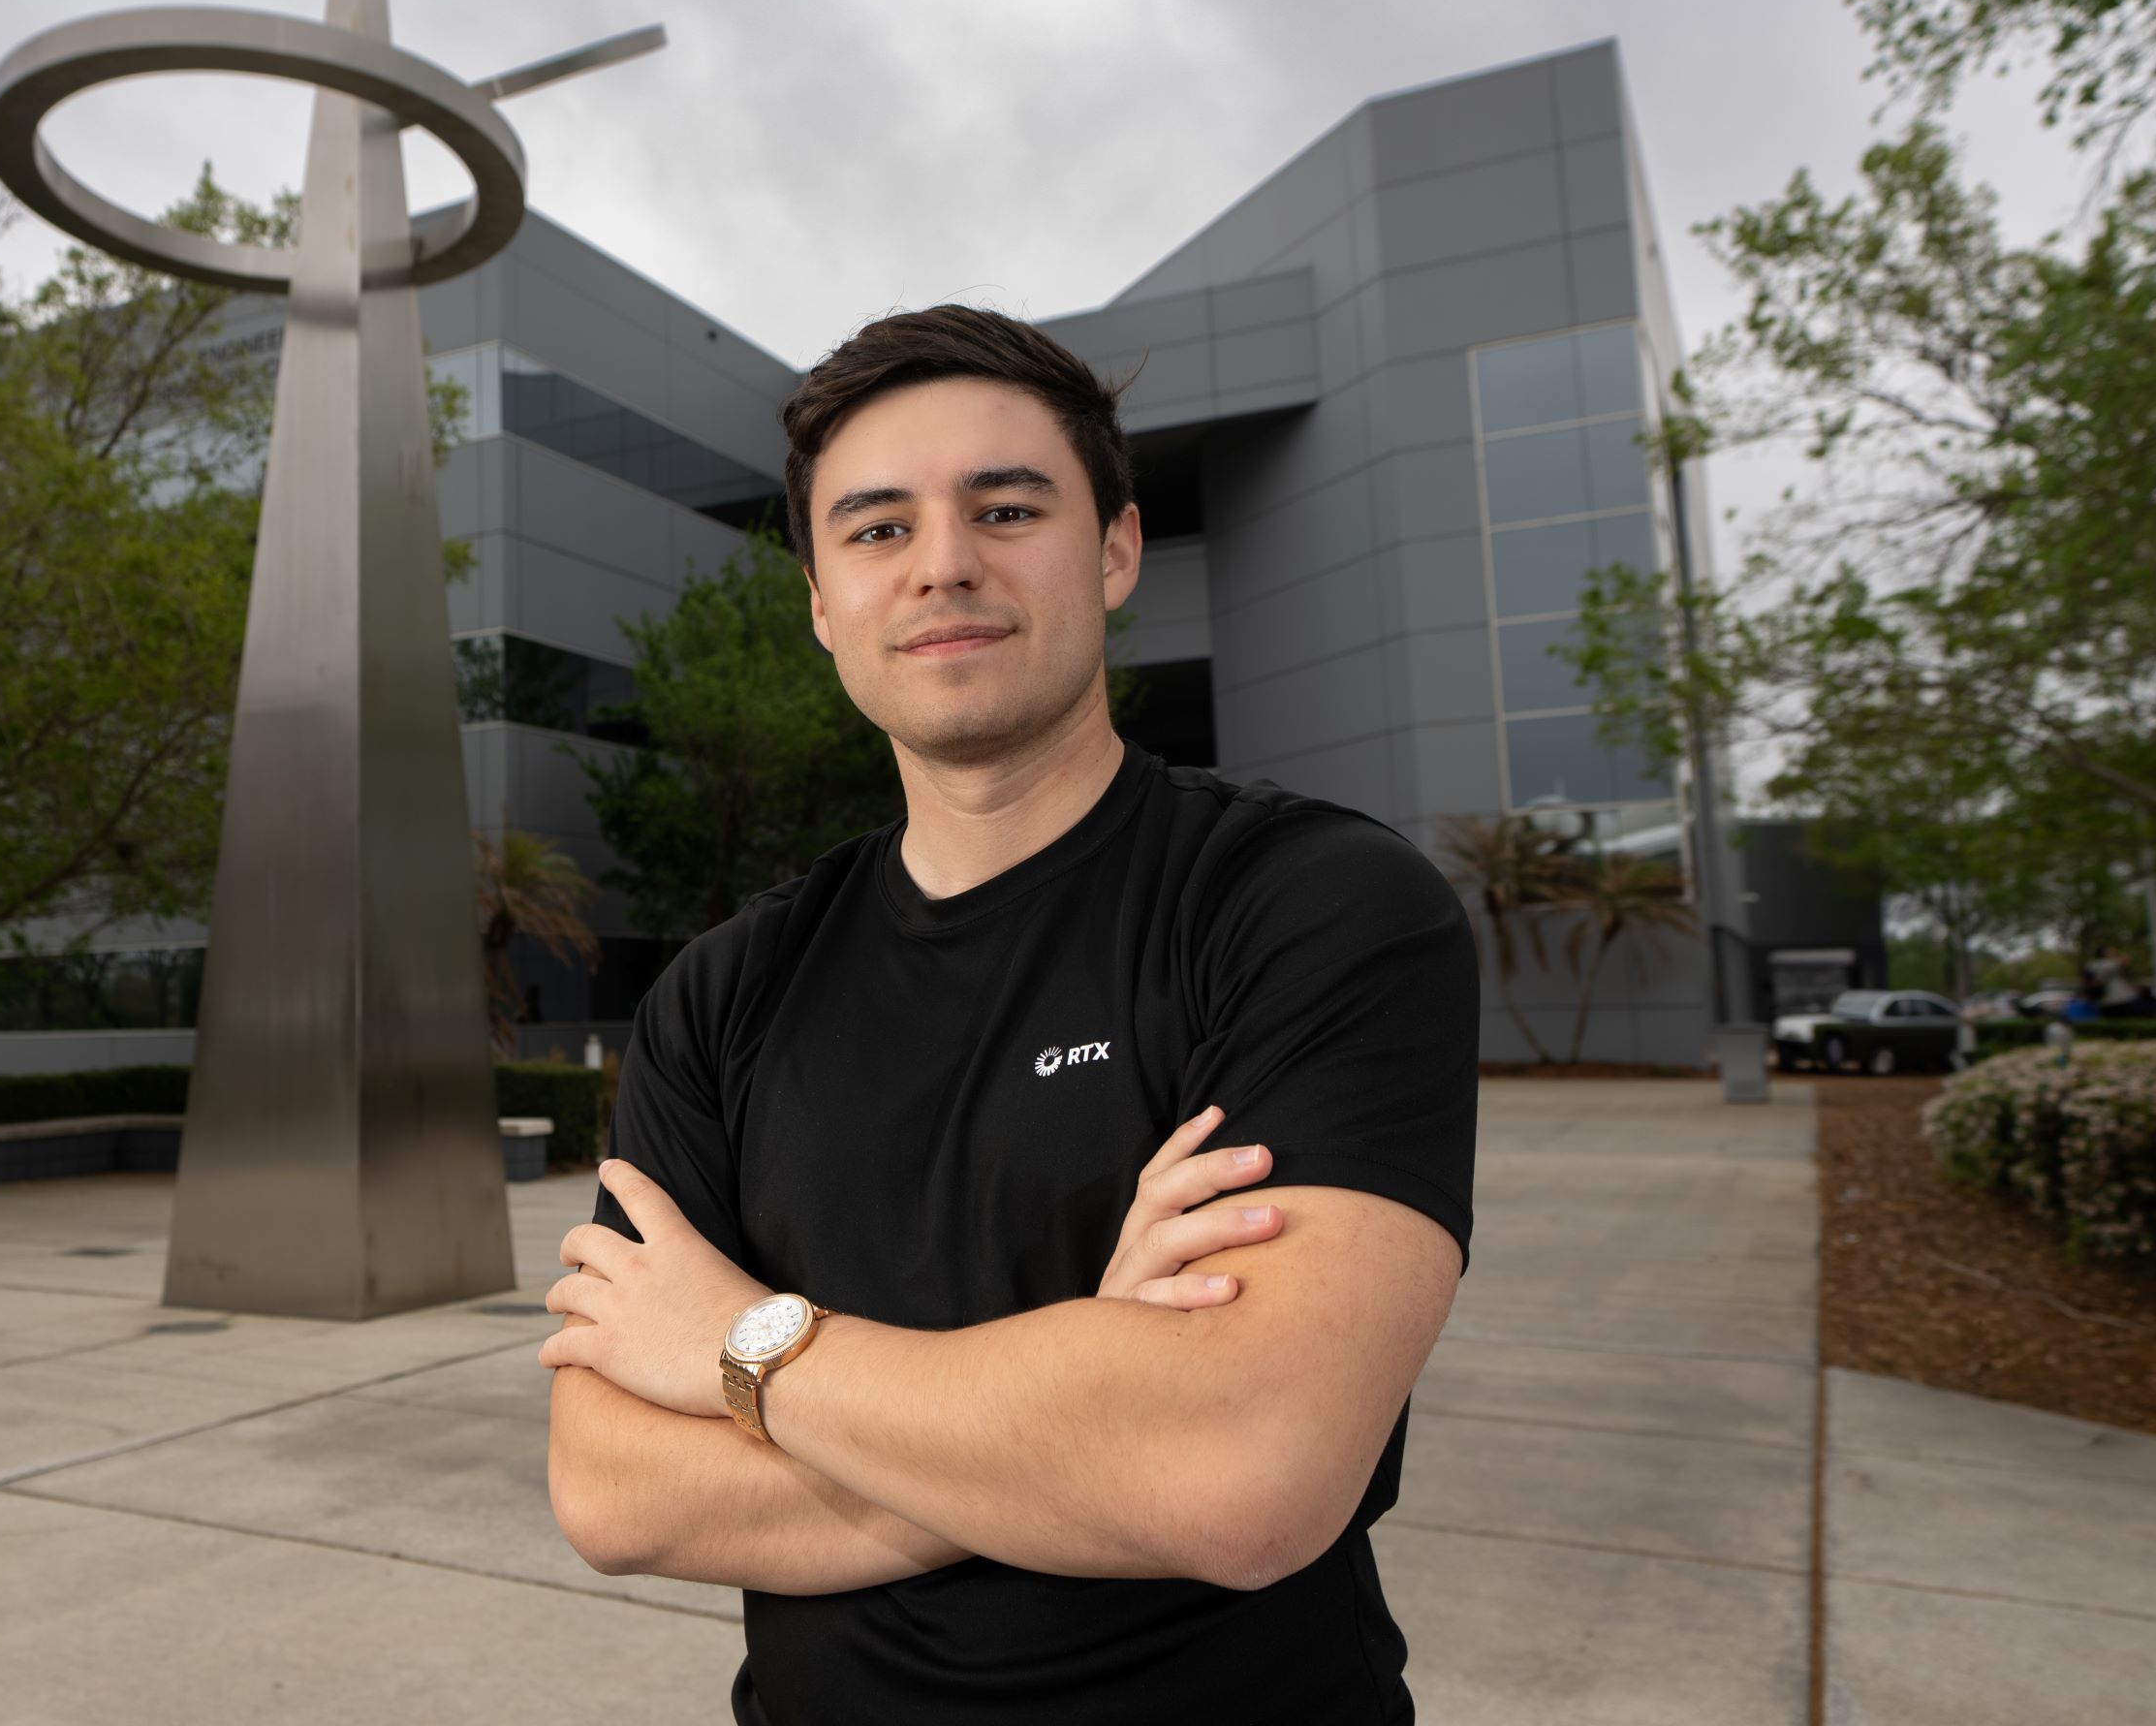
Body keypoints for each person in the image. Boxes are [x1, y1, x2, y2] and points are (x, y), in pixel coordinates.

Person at [541, 305, 1479, 1722]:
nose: (943, 565)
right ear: (817, 600)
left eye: (1005, 507)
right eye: (874, 528)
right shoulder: (723, 993)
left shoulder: (1306, 905)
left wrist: (748, 1345)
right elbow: (612, 1492)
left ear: (1112, 551)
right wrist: (1087, 1396)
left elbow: (1242, 1481)